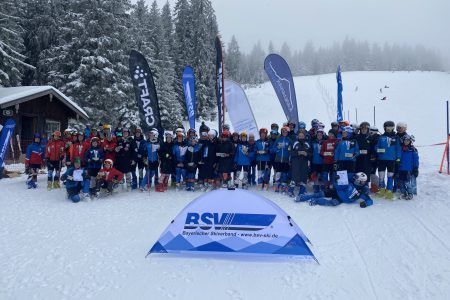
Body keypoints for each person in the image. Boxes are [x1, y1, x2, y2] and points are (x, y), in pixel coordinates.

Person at [299, 172, 374, 208]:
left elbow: (370, 200)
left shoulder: (363, 191)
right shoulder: (350, 183)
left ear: (361, 181)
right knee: (320, 194)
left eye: (357, 178)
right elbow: (338, 187)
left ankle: (315, 201)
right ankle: (302, 198)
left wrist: (366, 204)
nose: (355, 178)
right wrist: (336, 180)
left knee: (332, 203)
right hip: (336, 192)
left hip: (341, 199)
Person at [375, 121, 401, 200]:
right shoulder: (381, 137)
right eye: (387, 127)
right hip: (382, 159)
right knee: (381, 175)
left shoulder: (396, 138)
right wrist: (378, 150)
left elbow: (398, 148)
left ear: (393, 128)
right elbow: (376, 147)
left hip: (391, 160)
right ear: (384, 128)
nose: (389, 129)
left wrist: (398, 157)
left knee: (390, 175)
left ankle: (389, 190)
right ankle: (382, 189)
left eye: (391, 127)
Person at [288, 131, 312, 198]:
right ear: (297, 136)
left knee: (304, 177)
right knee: (294, 177)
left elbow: (311, 154)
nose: (301, 137)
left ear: (304, 136)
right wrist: (297, 153)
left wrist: (306, 154)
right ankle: (290, 191)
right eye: (300, 135)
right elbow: (290, 152)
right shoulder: (294, 143)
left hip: (304, 163)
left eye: (302, 135)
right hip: (296, 163)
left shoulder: (307, 144)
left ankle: (302, 192)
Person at [398, 134, 419, 200]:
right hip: (401, 168)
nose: (406, 142)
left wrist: (416, 168)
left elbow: (416, 159)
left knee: (407, 182)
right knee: (401, 181)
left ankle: (410, 193)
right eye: (405, 140)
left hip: (409, 169)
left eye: (408, 140)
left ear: (410, 141)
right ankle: (403, 192)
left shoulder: (413, 149)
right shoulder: (400, 148)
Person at [271, 126, 292, 193]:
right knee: (278, 173)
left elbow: (292, 150)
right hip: (278, 159)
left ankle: (284, 186)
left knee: (284, 173)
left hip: (286, 160)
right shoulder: (278, 139)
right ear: (281, 132)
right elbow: (272, 149)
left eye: (286, 131)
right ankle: (277, 185)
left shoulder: (289, 140)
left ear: (287, 132)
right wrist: (277, 149)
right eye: (283, 131)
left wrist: (289, 150)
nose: (284, 133)